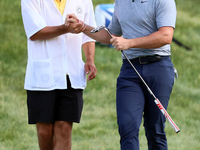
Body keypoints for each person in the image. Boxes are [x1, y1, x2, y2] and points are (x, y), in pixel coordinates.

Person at [67, 0, 177, 149]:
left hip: (159, 68)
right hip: (130, 71)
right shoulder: (121, 2)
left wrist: (129, 43)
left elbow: (165, 36)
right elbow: (110, 34)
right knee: (127, 127)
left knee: (155, 130)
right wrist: (83, 27)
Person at [21, 0, 97, 149]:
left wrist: (89, 59)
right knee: (44, 132)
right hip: (43, 76)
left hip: (71, 75)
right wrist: (65, 28)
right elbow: (35, 32)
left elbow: (89, 34)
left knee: (64, 128)